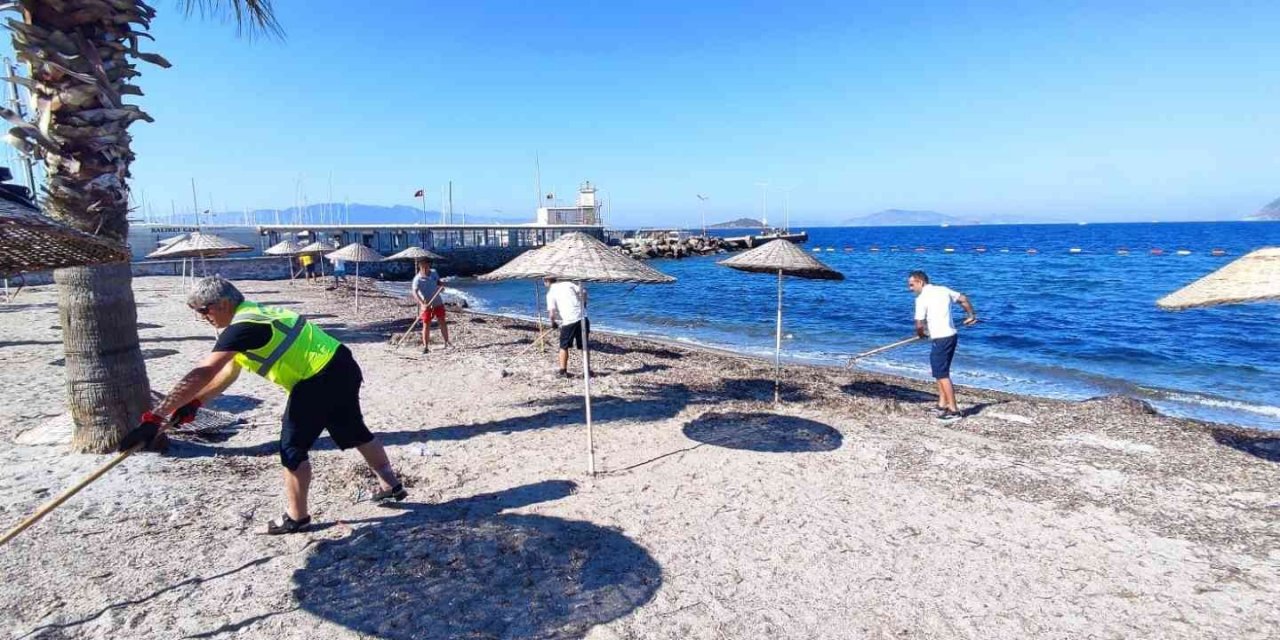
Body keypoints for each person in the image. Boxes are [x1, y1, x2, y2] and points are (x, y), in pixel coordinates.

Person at [118, 276, 407, 534]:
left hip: (317, 378)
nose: (202, 317)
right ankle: (391, 485)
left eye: (204, 310)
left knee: (292, 448)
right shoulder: (255, 314)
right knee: (353, 429)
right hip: (341, 364)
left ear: (223, 303)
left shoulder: (243, 327)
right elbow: (227, 374)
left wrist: (156, 417)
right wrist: (194, 403)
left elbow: (203, 372)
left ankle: (297, 518)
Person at [907, 270, 977, 423]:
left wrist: (921, 334)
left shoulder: (921, 299)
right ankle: (942, 404)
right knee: (939, 372)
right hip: (951, 336)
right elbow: (963, 299)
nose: (910, 288)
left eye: (911, 285)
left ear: (920, 282)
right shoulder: (943, 290)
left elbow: (919, 324)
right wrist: (971, 315)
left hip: (942, 339)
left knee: (942, 374)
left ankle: (954, 410)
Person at [545, 276, 588, 377]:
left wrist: (553, 323)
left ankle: (563, 371)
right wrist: (584, 304)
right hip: (583, 317)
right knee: (584, 345)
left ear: (546, 282)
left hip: (569, 321)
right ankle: (587, 370)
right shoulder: (568, 284)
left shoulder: (550, 293)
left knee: (563, 346)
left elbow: (552, 314)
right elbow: (584, 291)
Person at [411, 258, 449, 353]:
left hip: (438, 302)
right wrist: (422, 304)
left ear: (429, 266)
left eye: (427, 267)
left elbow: (439, 283)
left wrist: (441, 286)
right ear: (420, 267)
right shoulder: (417, 279)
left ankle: (446, 342)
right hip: (426, 304)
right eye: (423, 267)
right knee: (426, 324)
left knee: (442, 321)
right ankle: (426, 347)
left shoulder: (434, 272)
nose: (425, 269)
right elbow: (415, 293)